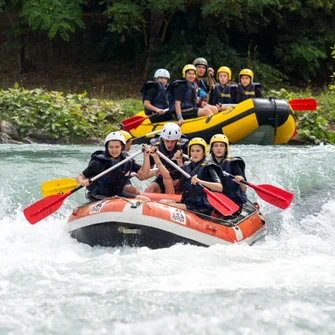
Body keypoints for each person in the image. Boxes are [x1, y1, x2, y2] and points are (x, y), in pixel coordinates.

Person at [76, 132, 151, 202]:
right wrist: (82, 182)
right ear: (107, 147)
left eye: (117, 147)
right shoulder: (99, 162)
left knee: (144, 199)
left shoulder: (126, 160)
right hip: (98, 195)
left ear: (122, 147)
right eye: (111, 147)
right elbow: (80, 176)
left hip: (117, 194)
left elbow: (144, 173)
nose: (114, 150)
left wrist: (146, 156)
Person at [161, 137, 223, 216]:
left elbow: (219, 187)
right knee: (163, 202)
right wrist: (156, 158)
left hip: (202, 207)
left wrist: (200, 181)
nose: (195, 153)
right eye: (192, 151)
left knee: (168, 207)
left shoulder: (209, 167)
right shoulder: (187, 165)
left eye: (198, 151)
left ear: (203, 152)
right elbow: (167, 175)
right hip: (188, 203)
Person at [144, 123, 188, 194]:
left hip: (179, 177)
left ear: (177, 139)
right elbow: (146, 172)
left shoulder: (184, 147)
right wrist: (154, 172)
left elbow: (190, 171)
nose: (169, 144)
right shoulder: (156, 148)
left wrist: (180, 161)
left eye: (173, 141)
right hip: (163, 177)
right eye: (167, 141)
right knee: (149, 189)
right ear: (162, 139)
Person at [209, 134, 247, 210]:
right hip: (215, 201)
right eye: (216, 146)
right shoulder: (208, 165)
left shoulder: (233, 164)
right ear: (212, 148)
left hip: (234, 201)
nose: (218, 148)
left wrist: (241, 181)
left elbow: (244, 188)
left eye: (222, 146)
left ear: (226, 149)